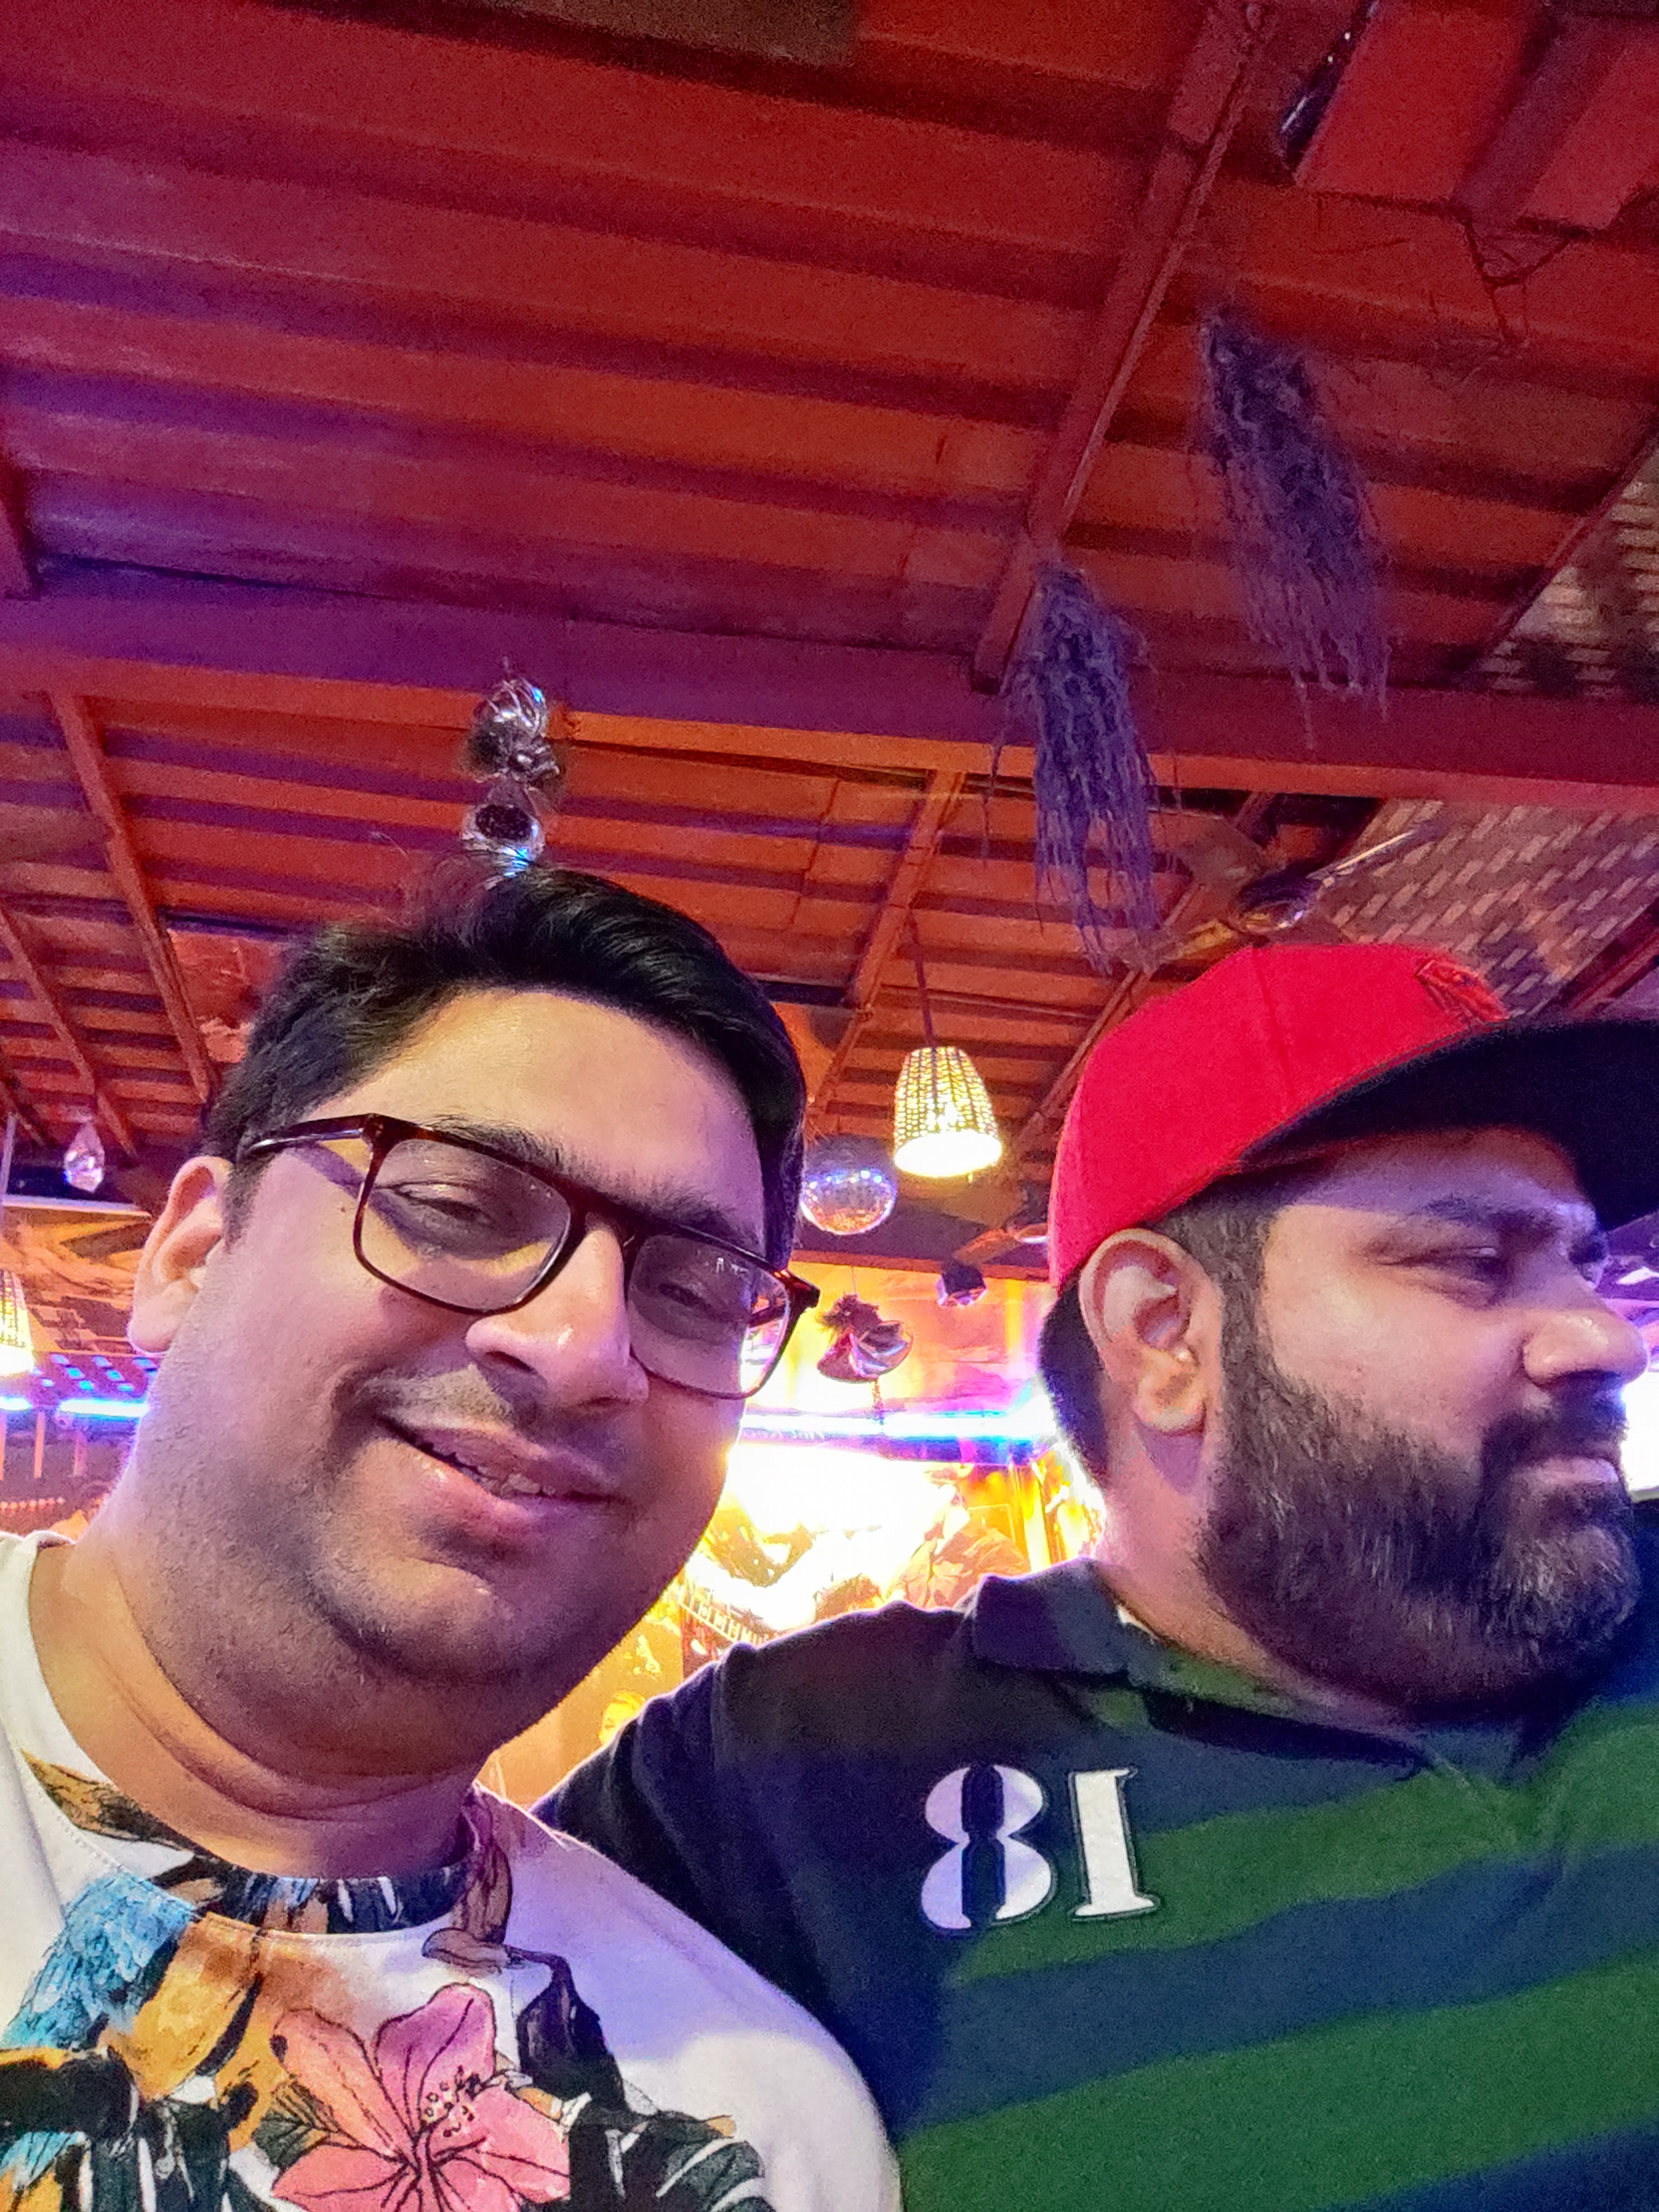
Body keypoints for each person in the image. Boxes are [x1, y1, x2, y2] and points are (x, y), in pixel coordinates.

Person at [553, 938, 1659, 2212]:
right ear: (1161, 1335)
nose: (1602, 1336)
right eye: (1474, 1263)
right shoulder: (786, 1775)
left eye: (1581, 1259)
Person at [0, 864, 897, 2212]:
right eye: (461, 1208)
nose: (586, 1349)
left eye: (694, 1290)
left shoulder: (756, 2135)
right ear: (190, 1255)